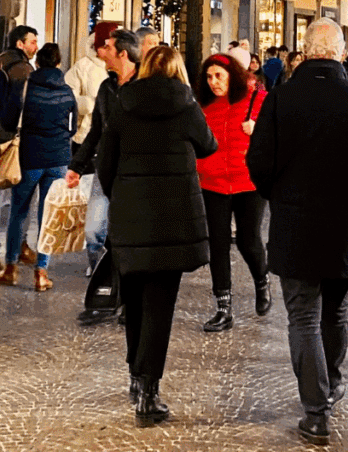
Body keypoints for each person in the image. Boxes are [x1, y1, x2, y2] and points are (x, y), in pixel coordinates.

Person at [246, 18, 348, 446]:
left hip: (295, 223)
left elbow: (258, 164)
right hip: (344, 225)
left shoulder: (279, 100)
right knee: (336, 310)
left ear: (306, 51)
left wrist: (279, 192)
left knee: (303, 316)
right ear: (340, 52)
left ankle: (316, 410)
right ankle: (330, 381)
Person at [96, 46, 217, 427]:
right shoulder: (185, 104)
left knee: (132, 300)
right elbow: (209, 145)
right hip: (173, 219)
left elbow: (105, 161)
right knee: (160, 306)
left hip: (131, 217)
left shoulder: (124, 102)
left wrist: (121, 194)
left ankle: (136, 375)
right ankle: (148, 391)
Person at [67, 28, 141, 323]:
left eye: (107, 47)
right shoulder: (107, 88)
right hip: (106, 169)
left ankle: (121, 298)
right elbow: (96, 130)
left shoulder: (144, 87)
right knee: (94, 231)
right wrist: (76, 165)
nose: (101, 51)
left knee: (127, 237)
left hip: (134, 174)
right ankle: (104, 288)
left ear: (122, 53)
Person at [195, 54, 269, 332]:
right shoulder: (203, 106)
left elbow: (278, 135)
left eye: (219, 76)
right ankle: (223, 307)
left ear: (232, 76)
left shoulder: (256, 100)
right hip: (212, 182)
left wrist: (257, 130)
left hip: (248, 182)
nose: (213, 83)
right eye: (209, 77)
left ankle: (262, 280)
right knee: (218, 244)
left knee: (249, 241)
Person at [0, 44, 76, 291]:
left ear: (38, 64)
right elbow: (73, 126)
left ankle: (10, 268)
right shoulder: (67, 91)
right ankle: (41, 272)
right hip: (58, 159)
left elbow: (9, 119)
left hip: (29, 157)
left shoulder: (25, 88)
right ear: (59, 63)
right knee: (48, 216)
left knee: (19, 211)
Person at [0, 25, 38, 272]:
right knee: (22, 197)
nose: (36, 46)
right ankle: (20, 246)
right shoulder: (26, 70)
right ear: (19, 44)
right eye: (32, 41)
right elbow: (30, 108)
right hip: (16, 140)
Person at [64, 30, 111, 155]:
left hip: (111, 139)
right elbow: (67, 95)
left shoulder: (120, 67)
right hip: (85, 137)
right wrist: (87, 104)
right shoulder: (83, 66)